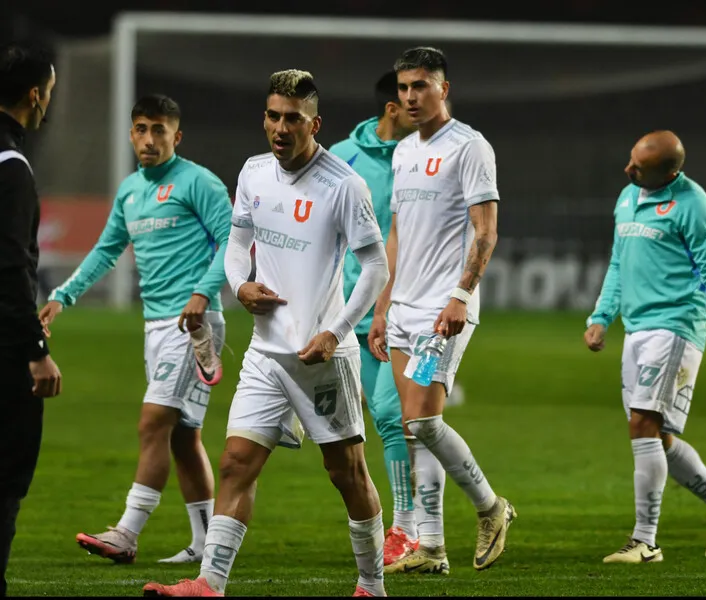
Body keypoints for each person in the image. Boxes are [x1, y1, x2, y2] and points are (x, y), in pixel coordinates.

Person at [143, 69, 390, 598]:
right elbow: (237, 245)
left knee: (346, 472)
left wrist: (336, 331)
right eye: (274, 117)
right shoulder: (254, 173)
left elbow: (376, 267)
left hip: (322, 356)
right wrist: (240, 285)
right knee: (236, 462)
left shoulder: (343, 185)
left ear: (314, 124)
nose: (281, 128)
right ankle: (210, 584)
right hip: (265, 352)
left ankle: (372, 586)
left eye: (293, 119)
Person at [39, 94, 232, 564]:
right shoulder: (129, 190)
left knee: (153, 423)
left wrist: (202, 293)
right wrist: (63, 295)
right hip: (155, 326)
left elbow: (234, 241)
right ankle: (206, 544)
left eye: (159, 130)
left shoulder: (199, 182)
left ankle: (126, 533)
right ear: (131, 134)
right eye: (141, 129)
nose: (149, 139)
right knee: (182, 437)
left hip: (194, 324)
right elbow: (107, 249)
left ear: (176, 136)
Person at [369, 46, 515, 575]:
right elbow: (396, 234)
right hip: (403, 307)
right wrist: (382, 304)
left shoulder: (469, 147)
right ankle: (431, 547)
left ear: (443, 89)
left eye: (421, 86)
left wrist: (461, 295)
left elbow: (486, 231)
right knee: (413, 429)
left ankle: (490, 507)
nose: (410, 96)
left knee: (424, 420)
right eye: (404, 87)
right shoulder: (404, 151)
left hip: (442, 307)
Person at [584, 130, 706, 563]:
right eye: (631, 160)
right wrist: (602, 316)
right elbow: (618, 261)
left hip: (675, 327)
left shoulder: (694, 205)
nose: (628, 170)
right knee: (657, 437)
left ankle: (645, 541)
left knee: (642, 426)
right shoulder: (628, 197)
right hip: (637, 330)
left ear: (670, 172)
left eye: (638, 167)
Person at [329, 71, 420, 565]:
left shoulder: (425, 157)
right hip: (353, 312)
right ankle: (420, 527)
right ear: (392, 108)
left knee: (390, 413)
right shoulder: (342, 156)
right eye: (409, 100)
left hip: (410, 309)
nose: (420, 109)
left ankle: (407, 527)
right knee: (390, 422)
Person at [0, 41, 62, 598]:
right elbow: (10, 266)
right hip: (4, 352)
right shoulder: (12, 167)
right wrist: (36, 349)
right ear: (36, 95)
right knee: (6, 476)